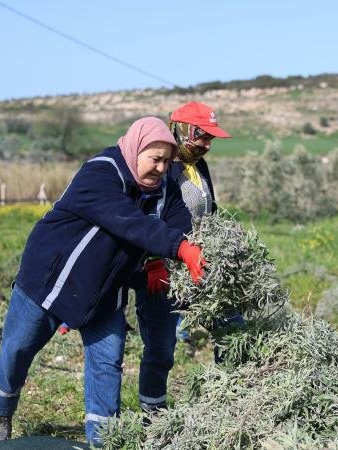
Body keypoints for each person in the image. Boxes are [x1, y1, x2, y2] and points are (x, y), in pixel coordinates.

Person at [0, 117, 206, 446]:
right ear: (134, 149)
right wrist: (178, 248)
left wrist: (174, 254)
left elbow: (179, 221)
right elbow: (129, 222)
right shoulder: (101, 172)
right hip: (51, 280)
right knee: (17, 350)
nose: (161, 168)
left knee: (107, 363)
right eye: (154, 159)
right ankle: (0, 414)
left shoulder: (165, 187)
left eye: (166, 161)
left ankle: (103, 441)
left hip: (105, 291)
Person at [133, 102, 243, 414]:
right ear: (182, 130)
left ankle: (229, 401)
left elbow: (209, 212)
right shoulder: (162, 168)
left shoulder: (198, 166)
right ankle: (153, 418)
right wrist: (151, 259)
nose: (207, 145)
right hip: (163, 271)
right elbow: (145, 216)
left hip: (199, 268)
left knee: (232, 328)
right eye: (203, 137)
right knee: (161, 350)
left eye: (211, 139)